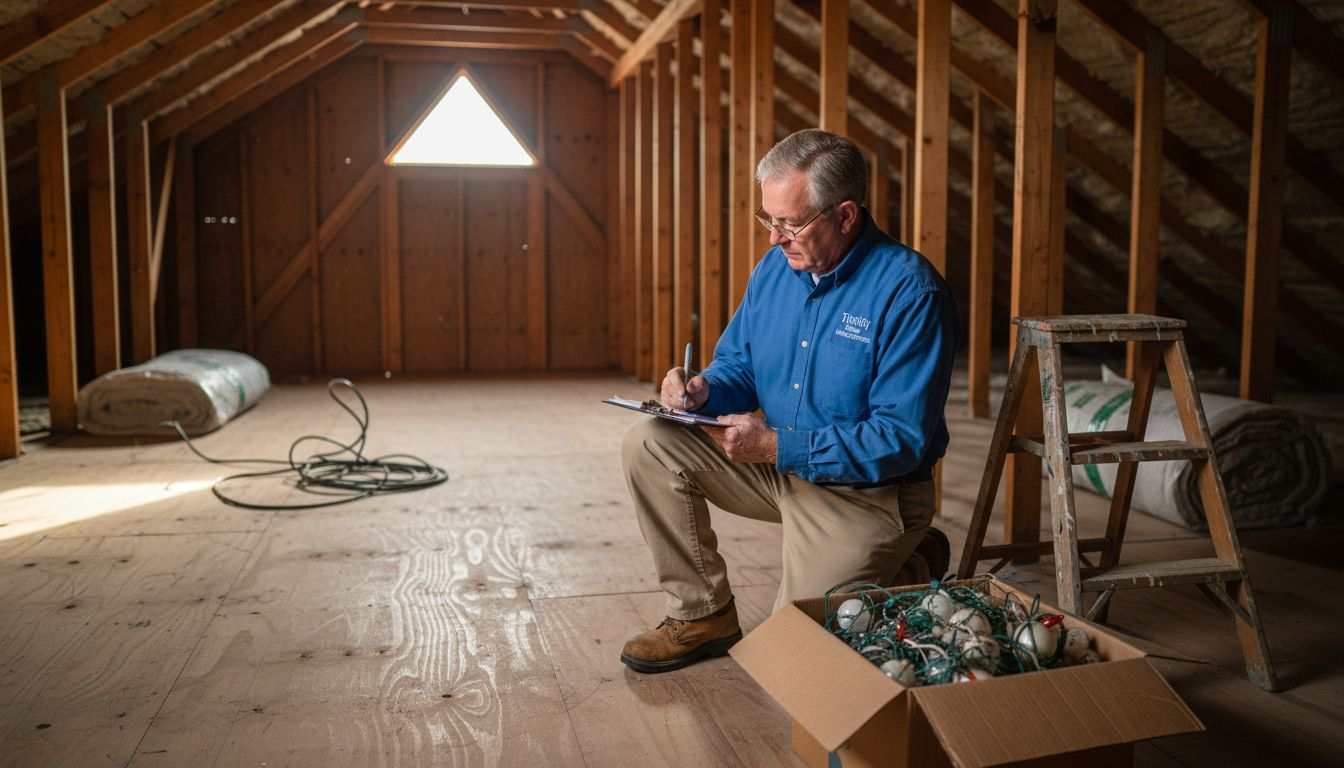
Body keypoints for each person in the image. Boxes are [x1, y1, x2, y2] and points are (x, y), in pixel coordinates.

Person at [619, 129, 959, 674]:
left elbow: (900, 438)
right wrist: (704, 388)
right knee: (650, 443)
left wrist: (779, 444)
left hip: (866, 495)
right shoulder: (776, 269)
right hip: (777, 466)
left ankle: (904, 564)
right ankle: (702, 614)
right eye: (768, 220)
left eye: (790, 223)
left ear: (846, 216)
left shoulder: (910, 293)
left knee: (786, 662)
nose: (775, 237)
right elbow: (742, 365)